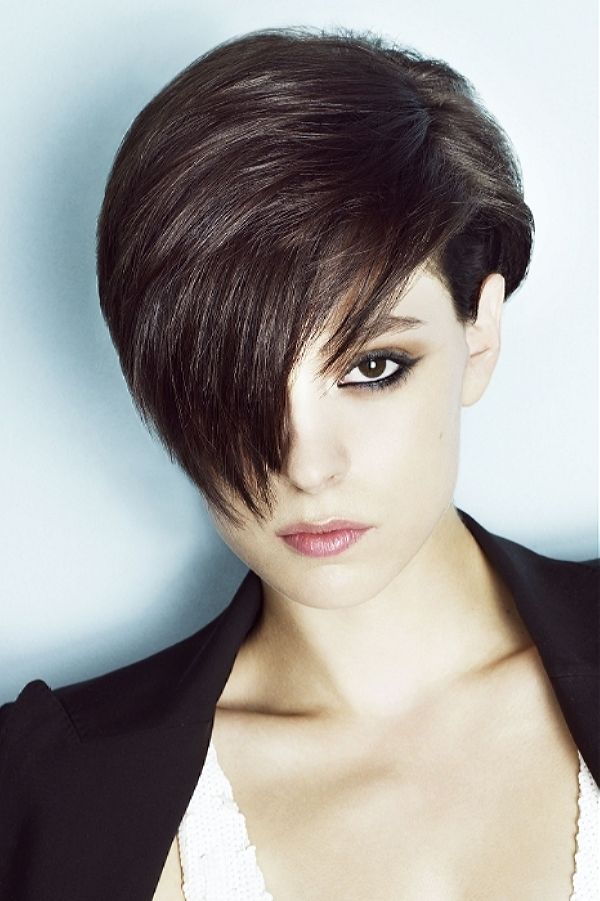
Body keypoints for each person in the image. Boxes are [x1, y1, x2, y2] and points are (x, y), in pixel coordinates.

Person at [0, 25, 597, 901]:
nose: (307, 466)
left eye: (373, 367)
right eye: (231, 380)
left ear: (480, 334)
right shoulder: (48, 798)